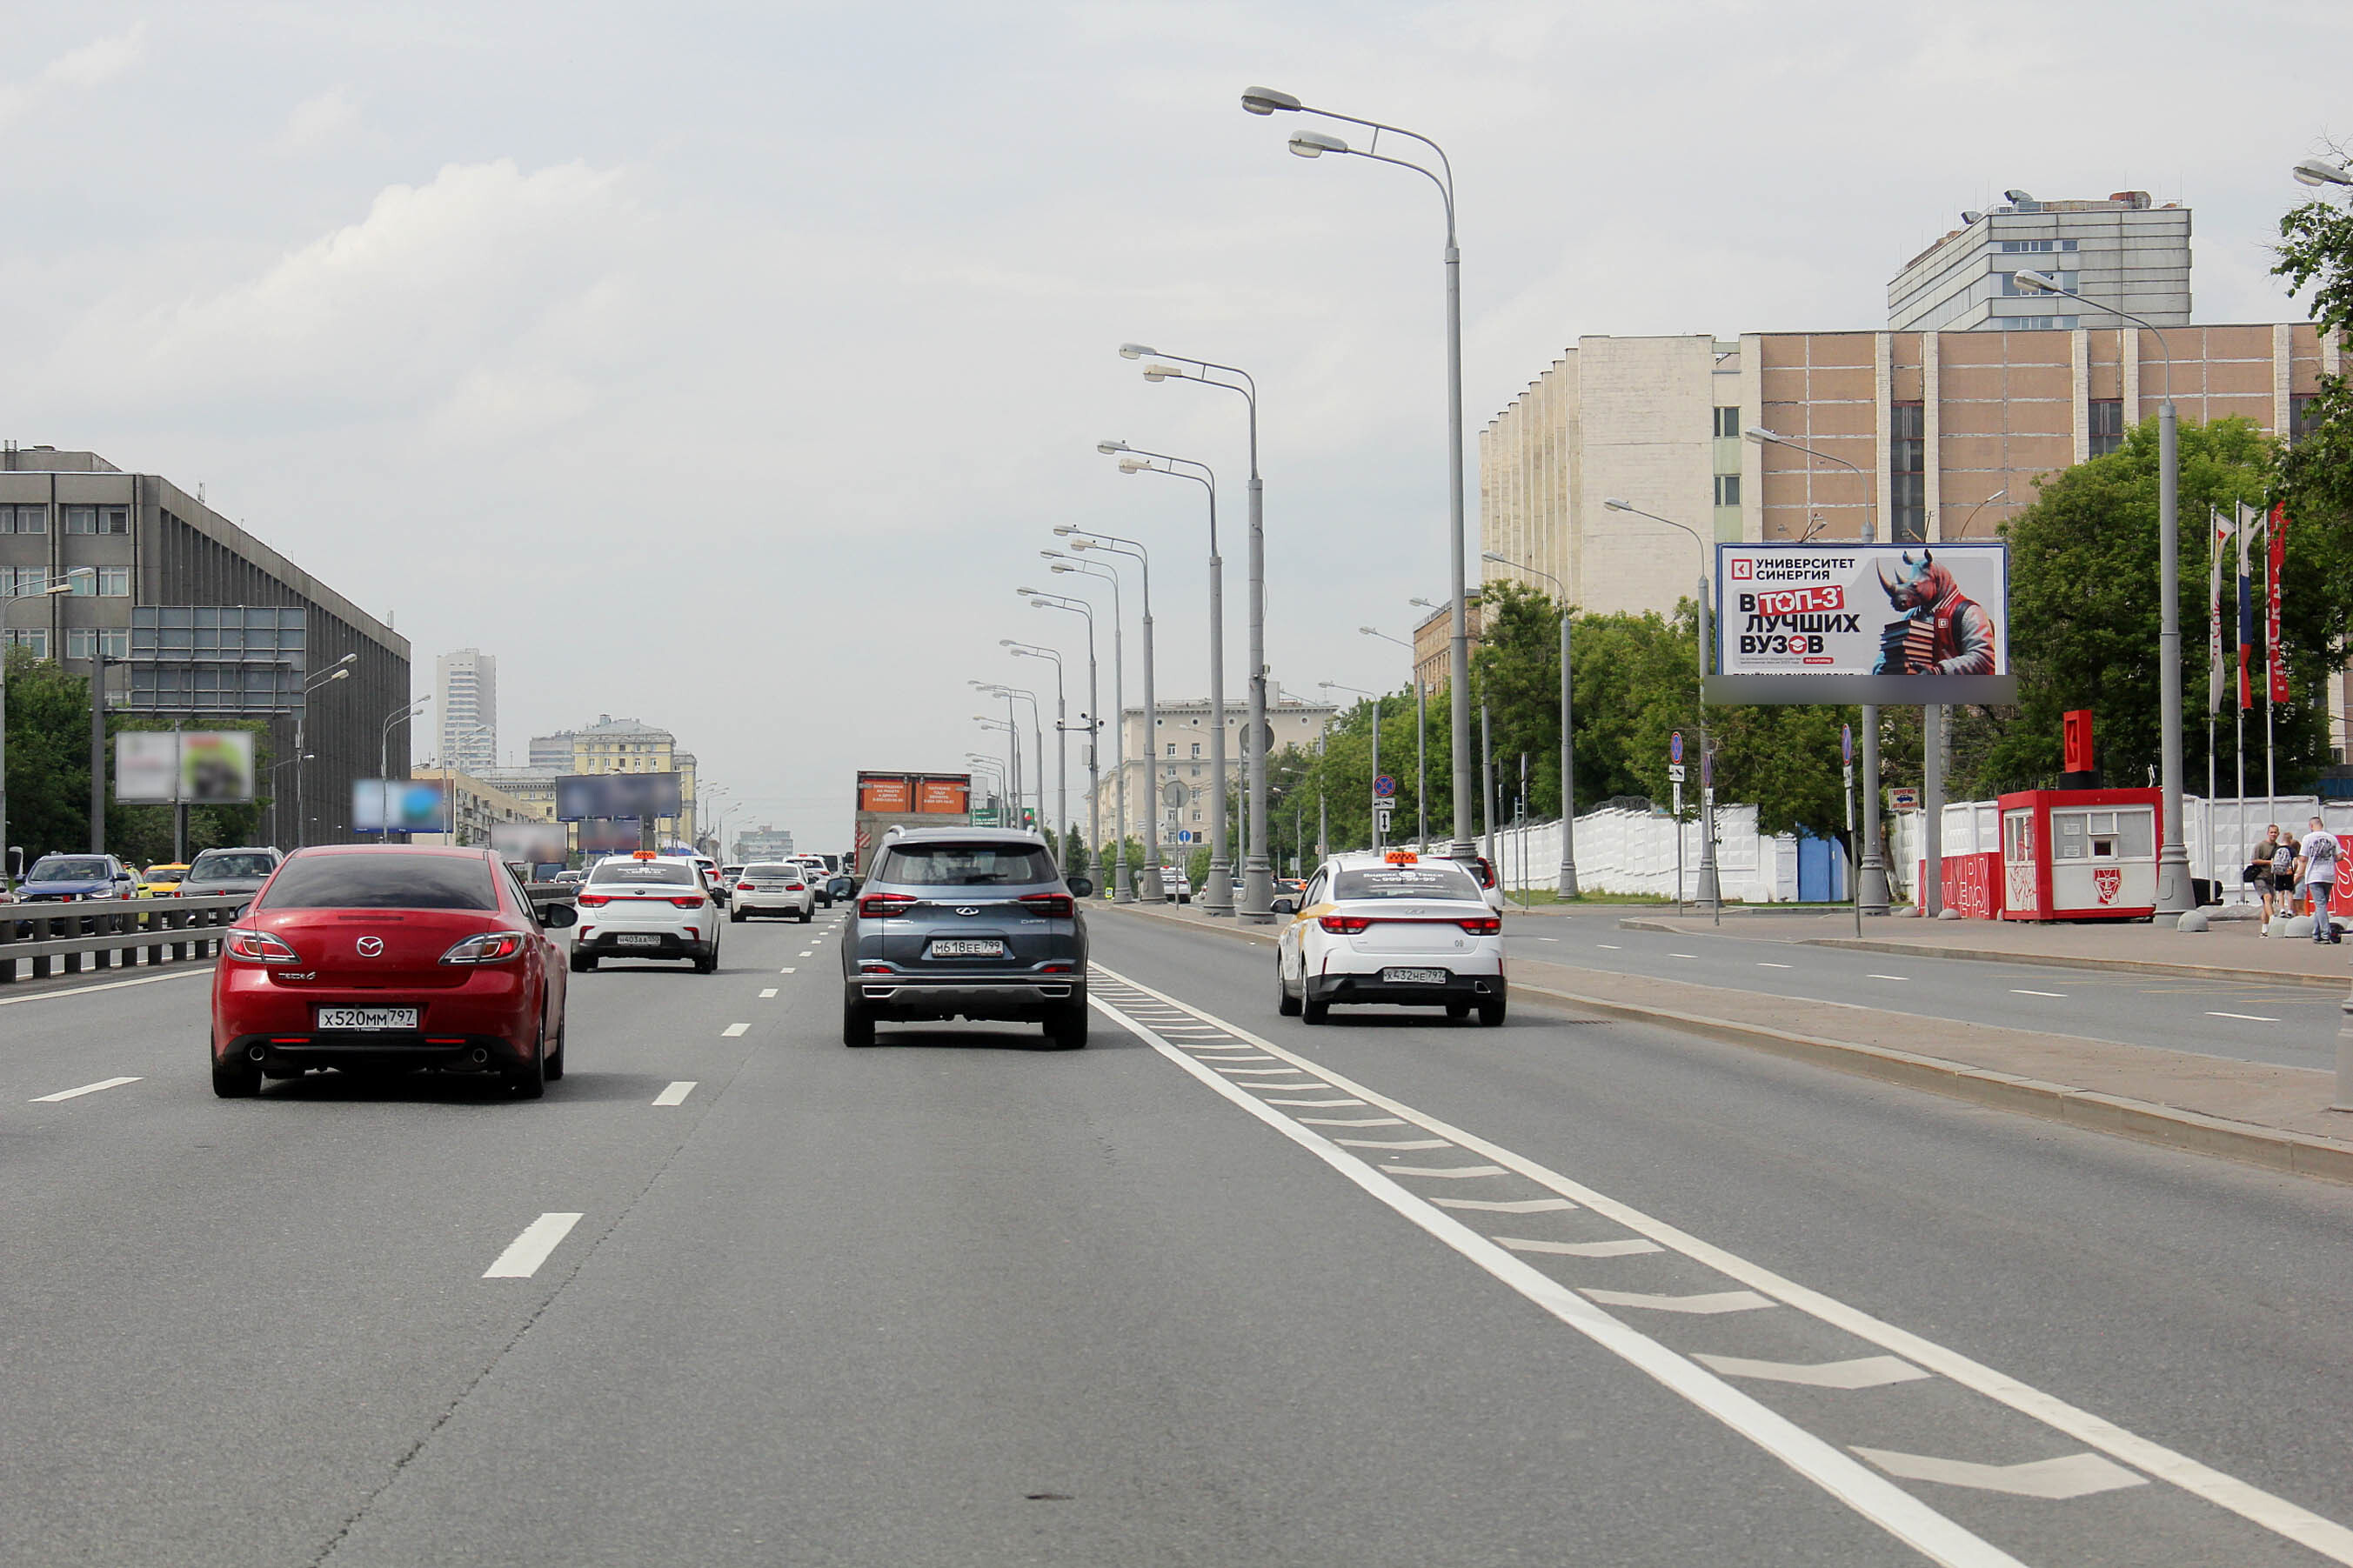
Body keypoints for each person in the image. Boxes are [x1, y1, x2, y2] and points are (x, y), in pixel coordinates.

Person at [2296, 816, 2341, 944]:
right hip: (2329, 874)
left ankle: (2326, 934)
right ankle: (2316, 934)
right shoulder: (2332, 838)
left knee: (2320, 905)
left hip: (2314, 875)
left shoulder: (2307, 838)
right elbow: (2340, 856)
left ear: (2311, 826)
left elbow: (2303, 859)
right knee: (2321, 905)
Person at [2249, 824, 2283, 926]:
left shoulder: (2278, 847)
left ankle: (2265, 929)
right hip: (2259, 876)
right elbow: (2254, 860)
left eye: (2275, 832)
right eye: (2271, 832)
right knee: (2267, 897)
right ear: (2268, 833)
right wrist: (2268, 862)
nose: (2273, 834)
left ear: (2278, 834)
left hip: (2271, 878)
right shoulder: (2260, 846)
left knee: (2267, 903)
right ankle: (2273, 919)